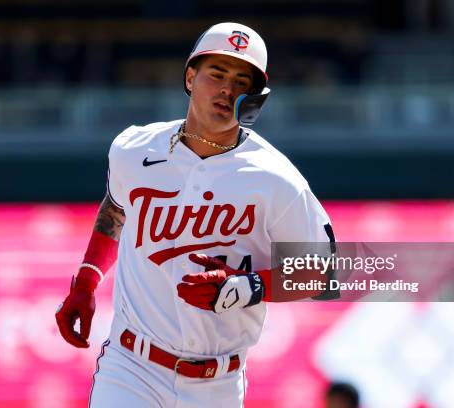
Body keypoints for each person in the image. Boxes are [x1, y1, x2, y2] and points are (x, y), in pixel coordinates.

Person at [55, 22, 335, 407]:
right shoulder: (133, 149)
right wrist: (86, 280)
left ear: (255, 98)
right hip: (131, 368)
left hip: (217, 383)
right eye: (216, 74)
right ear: (190, 77)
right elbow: (118, 206)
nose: (227, 89)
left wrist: (251, 286)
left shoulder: (276, 179)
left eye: (242, 81)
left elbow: (322, 271)